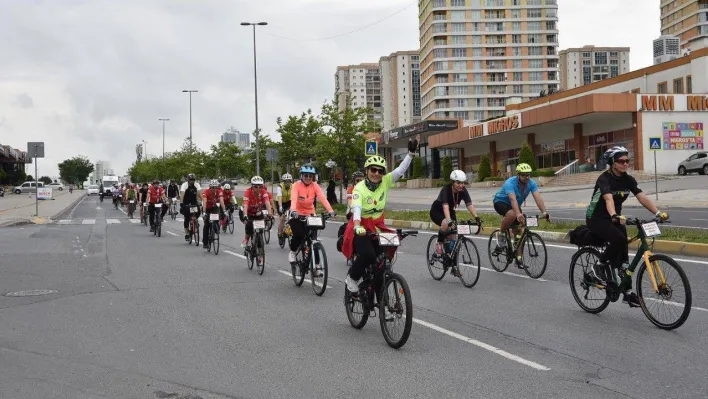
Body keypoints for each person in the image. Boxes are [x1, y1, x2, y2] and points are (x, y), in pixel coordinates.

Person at [586, 146, 669, 308]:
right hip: (597, 218)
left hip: (616, 218)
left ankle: (627, 293)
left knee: (624, 260)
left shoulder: (628, 179)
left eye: (627, 160)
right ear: (613, 163)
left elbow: (641, 196)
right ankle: (599, 266)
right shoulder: (604, 179)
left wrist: (658, 212)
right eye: (621, 161)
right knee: (618, 239)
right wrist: (614, 216)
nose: (625, 164)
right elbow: (609, 200)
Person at [343, 137, 419, 293]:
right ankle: (352, 277)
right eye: (373, 170)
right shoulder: (359, 188)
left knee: (383, 258)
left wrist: (411, 154)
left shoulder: (385, 182)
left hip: (377, 226)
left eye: (380, 171)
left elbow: (400, 170)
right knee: (367, 254)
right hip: (361, 227)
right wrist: (357, 226)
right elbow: (356, 208)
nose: (377, 173)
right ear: (367, 171)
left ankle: (378, 292)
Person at [492, 163, 550, 260]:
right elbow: (513, 199)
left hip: (515, 206)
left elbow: (538, 198)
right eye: (523, 175)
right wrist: (518, 213)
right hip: (501, 202)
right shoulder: (510, 182)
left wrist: (544, 212)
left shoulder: (531, 183)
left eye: (528, 175)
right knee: (512, 214)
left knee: (521, 229)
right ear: (518, 175)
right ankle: (501, 233)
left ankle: (518, 258)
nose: (526, 177)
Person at [288, 164, 335, 264]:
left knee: (314, 239)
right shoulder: (296, 185)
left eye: (310, 176)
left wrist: (330, 211)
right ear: (302, 176)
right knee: (298, 234)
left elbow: (322, 198)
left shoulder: (315, 186)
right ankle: (292, 251)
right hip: (297, 214)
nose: (308, 178)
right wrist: (293, 211)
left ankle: (317, 266)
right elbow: (293, 199)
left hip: (310, 213)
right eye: (306, 175)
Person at [429, 170, 481, 262]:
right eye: (458, 183)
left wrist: (477, 218)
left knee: (453, 238)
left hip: (451, 212)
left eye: (463, 183)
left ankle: (452, 264)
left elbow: (469, 205)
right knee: (446, 223)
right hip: (437, 211)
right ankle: (439, 243)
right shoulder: (446, 189)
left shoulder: (463, 190)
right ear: (452, 182)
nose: (461, 185)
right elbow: (445, 206)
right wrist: (449, 221)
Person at [241, 176, 273, 248]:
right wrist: (245, 215)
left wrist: (270, 213)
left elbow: (267, 202)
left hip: (258, 213)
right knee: (249, 228)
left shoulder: (263, 192)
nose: (258, 188)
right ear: (252, 186)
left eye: (260, 186)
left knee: (260, 230)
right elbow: (245, 205)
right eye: (256, 186)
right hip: (248, 213)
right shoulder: (247, 192)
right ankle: (246, 239)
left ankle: (260, 253)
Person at [201, 179, 226, 249]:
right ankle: (205, 242)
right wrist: (204, 212)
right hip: (206, 208)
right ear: (210, 187)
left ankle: (215, 227)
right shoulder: (206, 192)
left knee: (217, 217)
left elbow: (221, 201)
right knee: (207, 225)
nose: (214, 189)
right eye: (212, 187)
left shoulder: (219, 192)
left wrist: (224, 210)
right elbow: (204, 202)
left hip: (214, 207)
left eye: (215, 187)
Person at [179, 174, 202, 241]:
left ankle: (195, 221)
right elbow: (182, 194)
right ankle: (186, 233)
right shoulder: (184, 185)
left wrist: (203, 201)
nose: (192, 181)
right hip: (186, 202)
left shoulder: (197, 185)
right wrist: (181, 203)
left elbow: (200, 193)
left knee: (198, 211)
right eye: (191, 180)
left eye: (193, 180)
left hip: (194, 202)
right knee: (186, 218)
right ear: (188, 180)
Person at [275, 173, 293, 238]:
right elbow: (279, 196)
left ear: (291, 181)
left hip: (288, 202)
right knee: (282, 218)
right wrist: (280, 206)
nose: (287, 183)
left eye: (289, 181)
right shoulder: (280, 187)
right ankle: (280, 233)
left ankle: (289, 229)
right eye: (286, 181)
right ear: (284, 181)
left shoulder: (293, 186)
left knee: (292, 216)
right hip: (280, 202)